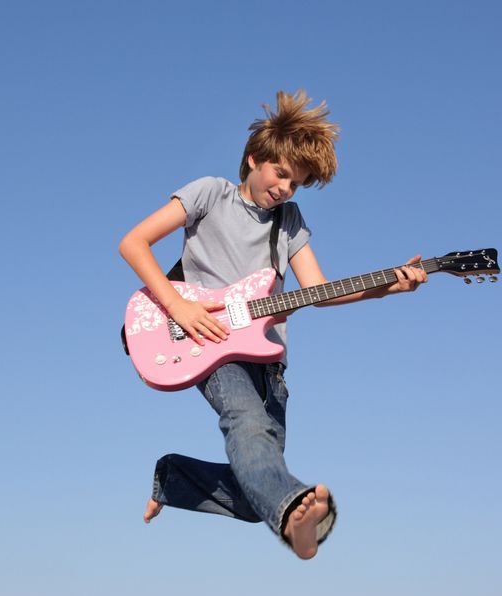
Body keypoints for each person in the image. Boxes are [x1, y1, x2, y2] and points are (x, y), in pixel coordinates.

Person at [118, 90, 427, 560]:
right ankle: (295, 511)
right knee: (245, 423)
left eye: (296, 183)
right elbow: (133, 242)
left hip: (270, 361)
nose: (285, 188)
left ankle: (176, 478)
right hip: (210, 342)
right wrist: (179, 308)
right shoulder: (210, 193)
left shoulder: (290, 221)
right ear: (254, 159)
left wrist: (389, 286)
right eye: (281, 173)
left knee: (251, 490)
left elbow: (320, 291)